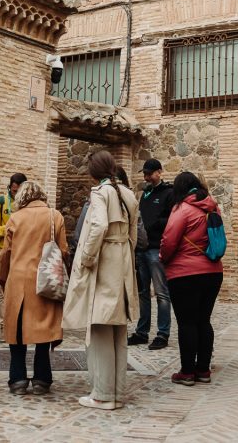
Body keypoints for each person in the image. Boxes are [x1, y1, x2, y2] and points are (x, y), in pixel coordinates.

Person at [63, 151, 139, 410]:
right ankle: (115, 393)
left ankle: (102, 395)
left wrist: (85, 258)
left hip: (105, 264)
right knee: (118, 331)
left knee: (100, 329)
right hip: (123, 264)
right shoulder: (128, 193)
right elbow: (133, 236)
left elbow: (97, 227)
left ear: (93, 171)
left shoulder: (100, 193)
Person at [0, 180, 68, 395]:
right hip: (46, 279)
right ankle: (42, 379)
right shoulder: (55, 216)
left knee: (17, 330)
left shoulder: (15, 218)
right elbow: (63, 250)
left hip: (19, 280)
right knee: (44, 330)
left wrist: (3, 279)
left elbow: (6, 253)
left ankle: (17, 379)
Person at [160, 171, 224, 387]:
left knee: (187, 322)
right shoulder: (212, 206)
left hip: (185, 274)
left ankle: (187, 372)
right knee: (203, 320)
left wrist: (162, 257)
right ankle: (203, 370)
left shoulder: (182, 209)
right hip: (213, 271)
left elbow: (169, 240)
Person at [128, 158, 174, 350]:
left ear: (159, 172)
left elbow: (170, 219)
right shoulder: (145, 193)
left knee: (162, 293)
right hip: (142, 249)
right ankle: (142, 331)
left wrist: (153, 225)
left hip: (156, 249)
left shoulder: (168, 193)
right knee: (142, 292)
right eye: (145, 174)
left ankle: (162, 334)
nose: (146, 177)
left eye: (149, 173)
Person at [0, 173, 27, 337]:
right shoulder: (0, 203)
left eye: (18, 190)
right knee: (4, 289)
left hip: (24, 251)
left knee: (22, 289)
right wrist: (8, 229)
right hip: (4, 251)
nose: (15, 193)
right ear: (10, 187)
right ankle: (6, 325)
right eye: (13, 189)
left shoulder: (28, 205)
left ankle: (20, 324)